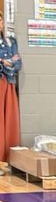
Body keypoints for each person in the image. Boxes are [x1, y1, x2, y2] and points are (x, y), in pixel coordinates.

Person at [0, 12, 22, 174]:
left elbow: (17, 62)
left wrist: (7, 63)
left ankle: (10, 160)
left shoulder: (11, 41)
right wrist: (3, 62)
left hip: (9, 82)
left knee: (11, 120)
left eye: (0, 20)